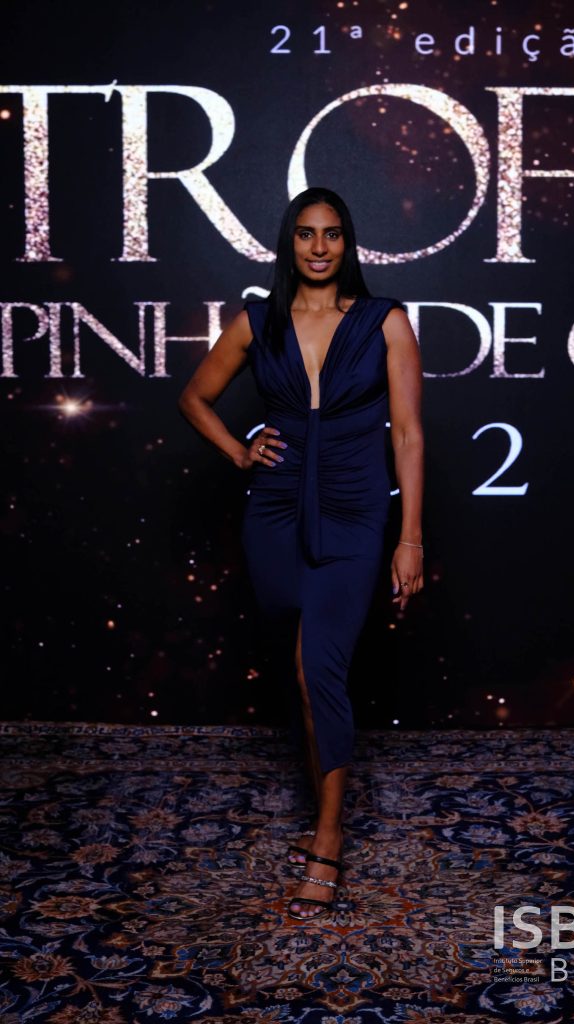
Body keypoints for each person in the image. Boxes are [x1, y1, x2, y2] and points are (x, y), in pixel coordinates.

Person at [178, 186, 424, 921]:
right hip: (276, 512)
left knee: (320, 668)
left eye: (333, 234)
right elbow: (193, 397)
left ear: (349, 244)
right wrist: (238, 451)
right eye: (307, 234)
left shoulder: (385, 321)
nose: (320, 248)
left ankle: (328, 837)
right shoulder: (259, 320)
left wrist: (409, 537)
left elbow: (408, 434)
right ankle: (323, 805)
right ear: (289, 242)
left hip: (354, 510)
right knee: (298, 666)